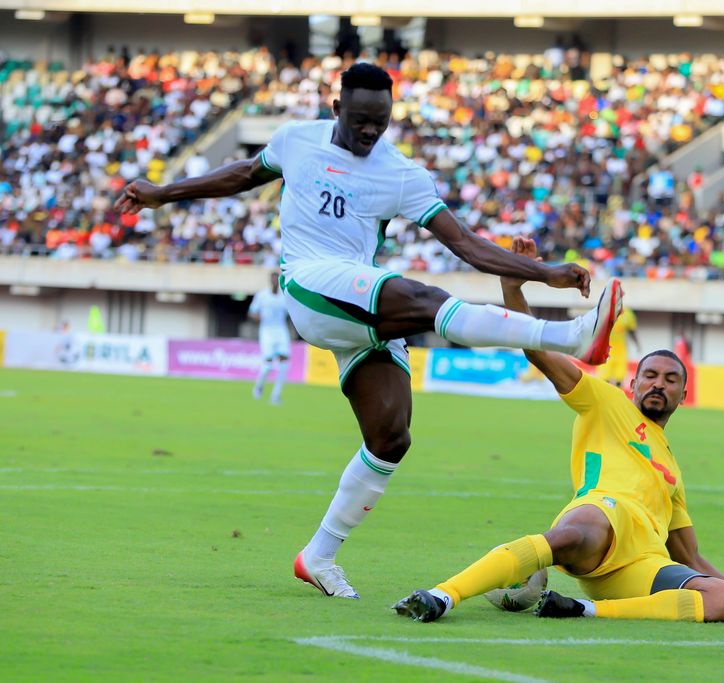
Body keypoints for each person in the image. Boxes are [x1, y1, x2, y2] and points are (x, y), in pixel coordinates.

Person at [115, 64, 623, 599]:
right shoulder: (296, 140)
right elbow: (243, 174)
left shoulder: (401, 175)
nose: (369, 131)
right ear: (337, 109)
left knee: (390, 437)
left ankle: (318, 556)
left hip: (356, 305)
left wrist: (544, 272)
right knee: (425, 299)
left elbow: (467, 245)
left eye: (379, 122)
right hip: (310, 282)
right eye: (359, 119)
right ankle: (571, 338)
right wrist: (162, 193)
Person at [393, 237, 724, 623]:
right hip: (600, 516)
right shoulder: (607, 403)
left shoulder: (672, 472)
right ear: (634, 385)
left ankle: (581, 609)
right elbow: (540, 354)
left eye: (670, 379)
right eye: (650, 375)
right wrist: (513, 288)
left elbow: (690, 557)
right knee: (581, 529)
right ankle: (443, 595)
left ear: (683, 395)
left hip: (638, 566)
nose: (658, 384)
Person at [248, 270, 292, 405]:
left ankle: (275, 395)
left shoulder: (284, 296)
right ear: (270, 280)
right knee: (268, 365)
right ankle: (258, 386)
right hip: (266, 331)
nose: (274, 282)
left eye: (276, 279)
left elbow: (291, 313)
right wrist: (258, 317)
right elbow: (252, 312)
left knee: (284, 365)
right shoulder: (262, 296)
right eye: (272, 279)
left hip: (281, 330)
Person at [595, 305, 640, 387]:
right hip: (605, 348)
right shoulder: (603, 310)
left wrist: (637, 344)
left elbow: (632, 331)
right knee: (604, 377)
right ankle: (604, 393)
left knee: (619, 377)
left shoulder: (628, 313)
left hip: (620, 350)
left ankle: (618, 393)